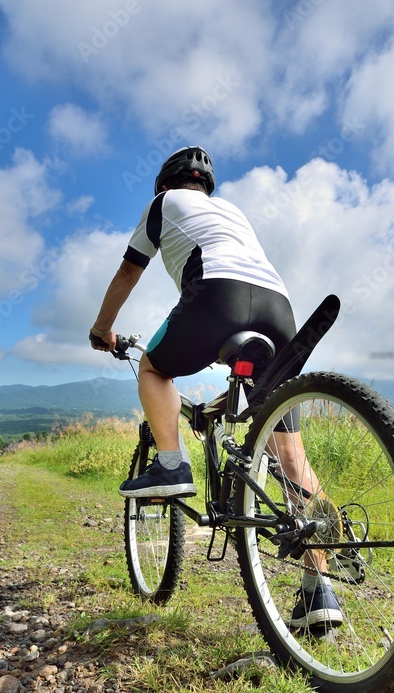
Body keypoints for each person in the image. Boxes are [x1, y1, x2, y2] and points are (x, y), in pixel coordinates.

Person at [89, 146, 342, 629]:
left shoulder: (162, 205)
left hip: (217, 294)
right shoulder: (231, 210)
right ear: (206, 184)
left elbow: (128, 271)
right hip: (279, 307)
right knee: (290, 454)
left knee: (152, 368)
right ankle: (320, 588)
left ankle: (170, 465)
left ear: (165, 183)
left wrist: (103, 329)